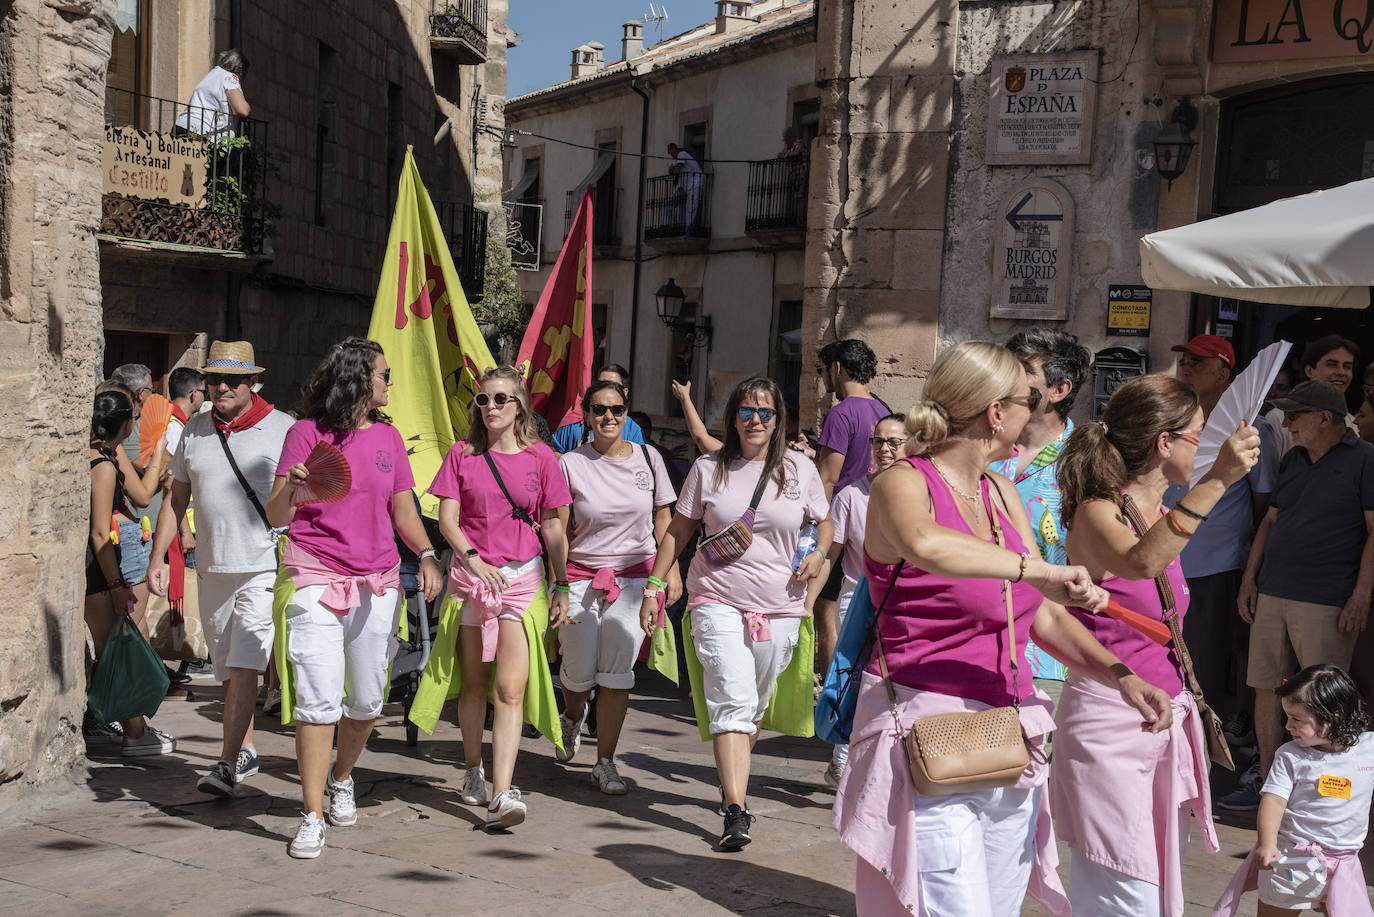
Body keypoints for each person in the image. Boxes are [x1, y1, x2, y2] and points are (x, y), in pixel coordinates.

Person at [832, 341, 1174, 917]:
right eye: (1028, 400)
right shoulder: (904, 483)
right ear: (996, 412)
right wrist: (1040, 569)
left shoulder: (1001, 492)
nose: (1033, 410)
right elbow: (926, 545)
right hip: (927, 734)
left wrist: (1121, 675)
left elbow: (1039, 614)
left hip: (1006, 737)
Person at [1052, 373, 1260, 915]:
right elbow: (1141, 560)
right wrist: (1217, 479)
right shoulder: (1098, 511)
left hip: (1160, 718)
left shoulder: (1159, 514)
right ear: (1164, 443)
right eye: (1199, 433)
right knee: (1126, 888)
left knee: (1159, 883)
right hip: (1110, 719)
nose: (1207, 445)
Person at [264, 338, 443, 859]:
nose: (390, 382)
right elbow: (278, 516)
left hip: (377, 582)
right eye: (384, 374)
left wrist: (428, 555)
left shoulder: (389, 440)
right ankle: (311, 814)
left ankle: (344, 776)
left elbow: (404, 513)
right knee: (318, 699)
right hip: (314, 576)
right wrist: (290, 487)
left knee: (366, 699)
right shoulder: (304, 435)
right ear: (359, 379)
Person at [641, 376, 831, 850]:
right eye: (746, 411)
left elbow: (823, 523)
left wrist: (819, 555)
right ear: (732, 417)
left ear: (778, 420)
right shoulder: (709, 468)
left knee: (755, 703)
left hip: (782, 605)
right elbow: (679, 532)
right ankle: (735, 809)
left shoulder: (800, 469)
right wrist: (654, 584)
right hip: (717, 599)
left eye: (765, 413)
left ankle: (731, 779)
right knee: (731, 697)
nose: (755, 420)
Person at [423, 366, 571, 829]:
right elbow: (447, 520)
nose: (490, 408)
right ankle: (473, 769)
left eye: (501, 399)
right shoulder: (461, 455)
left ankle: (502, 793)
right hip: (471, 582)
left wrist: (563, 583)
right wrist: (473, 559)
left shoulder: (543, 458)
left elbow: (553, 526)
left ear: (520, 406)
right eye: (483, 400)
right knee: (473, 685)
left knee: (510, 690)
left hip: (523, 581)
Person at [147, 342, 293, 798]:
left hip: (262, 566)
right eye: (214, 380)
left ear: (253, 383)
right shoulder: (194, 429)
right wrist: (158, 557)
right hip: (212, 567)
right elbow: (176, 500)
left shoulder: (283, 429)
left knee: (246, 661)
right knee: (227, 669)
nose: (222, 387)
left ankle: (226, 763)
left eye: (233, 380)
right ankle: (245, 746)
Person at [1230, 380, 1374, 813]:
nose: (1287, 424)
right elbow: (1270, 522)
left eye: (1296, 415)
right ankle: (1271, 781)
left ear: (1324, 418)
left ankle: (1321, 790)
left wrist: (1361, 595)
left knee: (1324, 696)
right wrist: (1249, 579)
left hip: (1327, 596)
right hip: (1274, 590)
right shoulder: (1293, 458)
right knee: (1265, 686)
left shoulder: (1365, 460)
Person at [556, 381, 680, 793]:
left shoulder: (649, 458)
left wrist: (670, 571)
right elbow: (557, 526)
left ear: (626, 413)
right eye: (599, 409)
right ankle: (572, 716)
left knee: (617, 673)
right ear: (587, 415)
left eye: (617, 409)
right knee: (577, 673)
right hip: (581, 577)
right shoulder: (570, 463)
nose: (609, 417)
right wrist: (557, 582)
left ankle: (605, 761)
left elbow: (664, 519)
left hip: (634, 578)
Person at [1166, 334, 1277, 769]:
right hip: (1171, 555)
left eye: (1197, 362)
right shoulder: (1177, 418)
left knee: (1207, 658)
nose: (1186, 368)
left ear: (1224, 373)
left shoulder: (1251, 428)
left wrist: (1243, 549)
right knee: (1174, 652)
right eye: (1184, 361)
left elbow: (1263, 500)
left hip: (1217, 560)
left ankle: (1203, 753)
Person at [1214, 664, 1374, 917]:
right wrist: (1266, 844)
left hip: (1344, 866)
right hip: (1292, 861)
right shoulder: (1290, 756)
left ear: (1332, 717)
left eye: (1297, 719)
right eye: (1287, 717)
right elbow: (1273, 801)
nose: (1288, 726)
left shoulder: (1368, 748)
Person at [992, 330, 1092, 703]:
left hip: (1047, 660)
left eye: (1022, 369)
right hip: (976, 645)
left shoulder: (1086, 462)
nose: (1005, 377)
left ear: (1059, 390)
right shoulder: (982, 448)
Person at [84, 384, 175, 756]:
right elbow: (99, 532)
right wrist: (118, 585)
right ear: (122, 424)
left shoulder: (97, 454)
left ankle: (132, 728)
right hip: (101, 575)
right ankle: (136, 734)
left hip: (99, 574)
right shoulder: (104, 466)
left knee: (117, 651)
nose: (137, 426)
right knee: (119, 654)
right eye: (134, 420)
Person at [819, 412, 905, 787]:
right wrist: (807, 603)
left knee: (894, 684)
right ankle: (840, 761)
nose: (884, 449)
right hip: (857, 599)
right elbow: (829, 555)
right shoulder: (851, 496)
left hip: (904, 602)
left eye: (893, 442)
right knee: (854, 680)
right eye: (878, 442)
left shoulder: (920, 494)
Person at [813, 339, 890, 681]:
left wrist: (813, 527)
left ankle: (832, 696)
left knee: (826, 609)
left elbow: (827, 478)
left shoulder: (841, 413)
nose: (823, 378)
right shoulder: (883, 410)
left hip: (840, 523)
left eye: (823, 370)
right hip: (878, 519)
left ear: (838, 368)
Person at [1265, 336, 1360, 457]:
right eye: (1332, 365)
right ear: (1309, 370)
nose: (1341, 372)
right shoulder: (1278, 418)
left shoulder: (1354, 425)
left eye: (1347, 366)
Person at [551, 364, 646, 452]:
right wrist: (576, 459)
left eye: (613, 386)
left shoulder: (633, 430)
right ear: (587, 416)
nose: (609, 417)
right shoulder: (574, 422)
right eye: (601, 385)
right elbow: (553, 453)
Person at [174, 49, 251, 139]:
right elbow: (242, 110)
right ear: (241, 72)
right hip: (206, 134)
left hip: (182, 126)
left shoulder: (212, 74)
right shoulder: (230, 77)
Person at [666, 142, 703, 231]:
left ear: (677, 150)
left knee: (691, 207)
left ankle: (688, 228)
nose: (672, 155)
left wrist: (673, 169)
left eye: (673, 152)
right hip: (685, 186)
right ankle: (666, 226)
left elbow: (676, 171)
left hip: (695, 183)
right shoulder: (678, 159)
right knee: (669, 204)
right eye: (671, 153)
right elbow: (671, 171)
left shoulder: (682, 154)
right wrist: (672, 168)